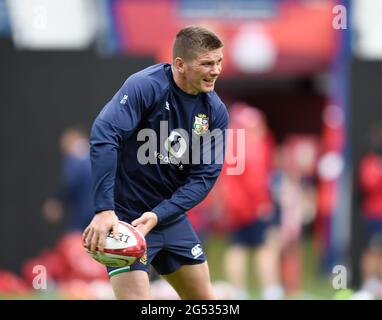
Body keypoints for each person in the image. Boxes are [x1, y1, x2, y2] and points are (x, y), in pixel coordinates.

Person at [83, 25, 228, 300]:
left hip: (169, 218)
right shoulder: (146, 86)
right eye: (207, 63)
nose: (216, 70)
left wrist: (160, 214)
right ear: (180, 64)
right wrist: (104, 210)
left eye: (219, 61)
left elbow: (204, 178)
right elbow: (105, 134)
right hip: (125, 219)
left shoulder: (215, 111)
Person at [42, 126, 93, 232]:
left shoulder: (76, 159)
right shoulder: (99, 155)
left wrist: (58, 201)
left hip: (83, 218)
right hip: (105, 215)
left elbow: (71, 183)